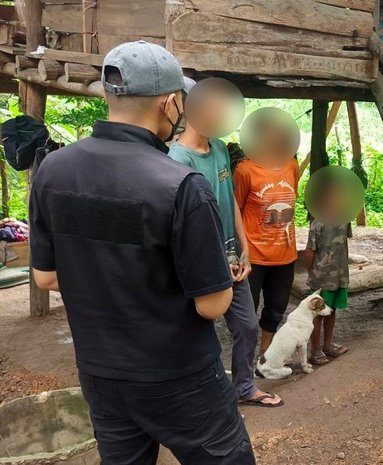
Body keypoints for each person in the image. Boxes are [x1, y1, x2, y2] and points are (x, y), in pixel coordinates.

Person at [28, 41, 255, 464]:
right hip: (179, 376)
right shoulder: (180, 184)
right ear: (170, 103)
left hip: (100, 374)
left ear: (110, 96)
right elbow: (212, 304)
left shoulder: (53, 171)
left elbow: (46, 277)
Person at [169, 78, 283, 408]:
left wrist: (244, 246)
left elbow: (230, 199)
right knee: (196, 332)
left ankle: (243, 387)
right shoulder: (178, 159)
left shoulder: (219, 148)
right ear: (194, 109)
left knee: (247, 326)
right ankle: (198, 396)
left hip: (232, 256)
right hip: (203, 260)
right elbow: (184, 223)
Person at [234, 107, 301, 360]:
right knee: (247, 310)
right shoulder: (245, 170)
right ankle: (245, 357)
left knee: (276, 309)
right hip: (254, 256)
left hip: (285, 254)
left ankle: (265, 354)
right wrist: (242, 251)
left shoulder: (291, 165)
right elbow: (236, 209)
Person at [304, 179, 352, 366]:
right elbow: (310, 251)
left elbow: (342, 244)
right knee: (317, 314)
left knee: (331, 311)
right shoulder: (317, 223)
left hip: (339, 276)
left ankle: (327, 345)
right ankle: (314, 350)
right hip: (322, 278)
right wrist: (312, 273)